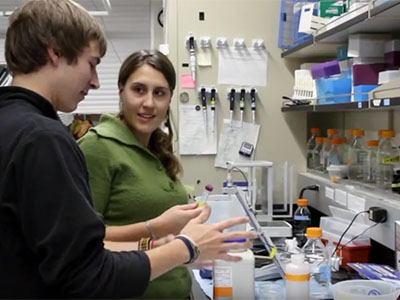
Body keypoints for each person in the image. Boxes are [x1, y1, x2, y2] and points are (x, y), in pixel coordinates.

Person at [0, 0, 256, 299]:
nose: (95, 82)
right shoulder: (44, 139)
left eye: (160, 93)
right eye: (92, 64)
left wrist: (158, 244)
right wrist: (184, 247)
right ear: (55, 51)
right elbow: (87, 274)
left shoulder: (13, 124)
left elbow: (66, 247)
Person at [78, 50, 206, 299]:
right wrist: (155, 227)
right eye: (139, 90)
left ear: (169, 99)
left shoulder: (156, 148)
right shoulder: (98, 147)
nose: (149, 103)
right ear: (121, 91)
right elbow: (83, 242)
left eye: (159, 93)